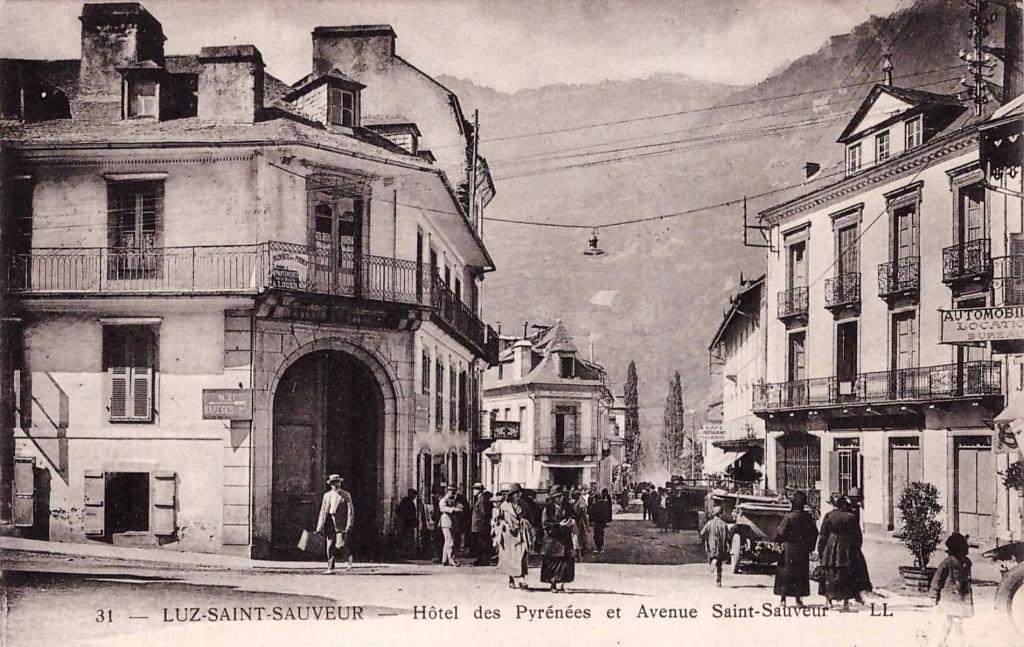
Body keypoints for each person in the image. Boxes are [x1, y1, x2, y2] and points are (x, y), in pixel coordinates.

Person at [816, 495, 870, 609]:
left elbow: (823, 535)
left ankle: (828, 602)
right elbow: (857, 536)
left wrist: (820, 551)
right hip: (846, 548)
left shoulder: (829, 516)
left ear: (833, 504)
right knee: (846, 574)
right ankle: (846, 603)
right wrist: (855, 550)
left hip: (831, 547)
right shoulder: (851, 517)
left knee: (830, 573)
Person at [773, 490, 819, 607]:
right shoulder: (808, 518)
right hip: (802, 551)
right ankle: (798, 600)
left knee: (785, 574)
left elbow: (780, 532)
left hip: (788, 550)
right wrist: (809, 548)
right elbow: (814, 533)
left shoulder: (789, 517)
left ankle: (783, 600)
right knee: (800, 574)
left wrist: (778, 542)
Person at [929, 532, 973, 647]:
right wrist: (934, 595)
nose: (967, 547)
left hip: (961, 597)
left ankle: (942, 641)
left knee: (951, 620)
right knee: (956, 620)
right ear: (957, 548)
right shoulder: (947, 563)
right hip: (950, 597)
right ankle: (959, 643)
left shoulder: (966, 563)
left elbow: (967, 580)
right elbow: (938, 579)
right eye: (964, 545)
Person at [493, 483, 532, 589]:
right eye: (516, 493)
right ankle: (511, 579)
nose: (518, 495)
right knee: (509, 558)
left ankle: (522, 579)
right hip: (508, 535)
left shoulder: (524, 505)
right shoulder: (504, 506)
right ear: (511, 495)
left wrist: (525, 523)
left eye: (519, 493)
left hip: (520, 534)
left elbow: (530, 518)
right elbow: (497, 520)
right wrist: (504, 524)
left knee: (521, 557)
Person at [315, 474, 355, 573]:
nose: (336, 485)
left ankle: (349, 561)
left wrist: (349, 524)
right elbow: (323, 511)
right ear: (330, 484)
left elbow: (350, 510)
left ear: (340, 483)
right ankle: (330, 568)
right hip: (330, 521)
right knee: (330, 545)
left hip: (341, 522)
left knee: (340, 544)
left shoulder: (346, 495)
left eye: (337, 482)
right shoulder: (327, 495)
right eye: (333, 483)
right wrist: (319, 525)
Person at [541, 485, 576, 592]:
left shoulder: (567, 506)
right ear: (553, 499)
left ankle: (564, 584)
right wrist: (559, 525)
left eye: (561, 496)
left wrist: (572, 522)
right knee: (553, 563)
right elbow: (545, 525)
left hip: (565, 539)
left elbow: (573, 516)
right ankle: (553, 584)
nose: (560, 499)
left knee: (566, 562)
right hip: (552, 540)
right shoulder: (548, 509)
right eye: (557, 497)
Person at [699, 505, 731, 587]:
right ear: (720, 514)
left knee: (712, 557)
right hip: (721, 548)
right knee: (720, 564)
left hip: (711, 547)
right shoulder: (724, 524)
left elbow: (702, 533)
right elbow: (728, 537)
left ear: (714, 514)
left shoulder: (709, 523)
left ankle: (712, 562)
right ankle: (719, 580)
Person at [438, 485, 464, 566]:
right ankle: (452, 560)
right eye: (451, 492)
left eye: (454, 492)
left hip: (452, 523)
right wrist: (454, 509)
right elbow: (443, 509)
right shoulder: (443, 500)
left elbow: (459, 507)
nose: (453, 494)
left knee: (447, 541)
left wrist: (459, 507)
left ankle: (444, 560)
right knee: (450, 541)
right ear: (447, 491)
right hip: (446, 523)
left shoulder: (453, 500)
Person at [471, 487, 494, 566]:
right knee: (480, 543)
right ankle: (482, 560)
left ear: (479, 490)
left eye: (475, 489)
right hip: (479, 525)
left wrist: (483, 523)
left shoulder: (482, 499)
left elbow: (484, 512)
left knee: (481, 543)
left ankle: (483, 560)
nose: (473, 491)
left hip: (480, 525)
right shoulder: (480, 498)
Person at [588, 488, 613, 554]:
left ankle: (599, 548)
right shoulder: (604, 503)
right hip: (602, 522)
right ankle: (601, 547)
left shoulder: (598, 504)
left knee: (597, 535)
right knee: (601, 534)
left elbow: (595, 513)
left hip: (598, 522)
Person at [571, 490, 591, 557]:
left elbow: (582, 510)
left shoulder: (580, 502)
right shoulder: (576, 502)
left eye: (575, 495)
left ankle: (583, 548)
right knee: (577, 534)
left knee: (581, 534)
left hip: (580, 519)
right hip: (576, 519)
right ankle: (578, 548)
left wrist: (580, 518)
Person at [453, 486, 471, 554]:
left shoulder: (462, 498)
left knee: (459, 535)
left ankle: (458, 550)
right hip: (451, 520)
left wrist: (461, 509)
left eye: (454, 490)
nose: (452, 492)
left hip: (460, 520)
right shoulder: (447, 498)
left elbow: (466, 508)